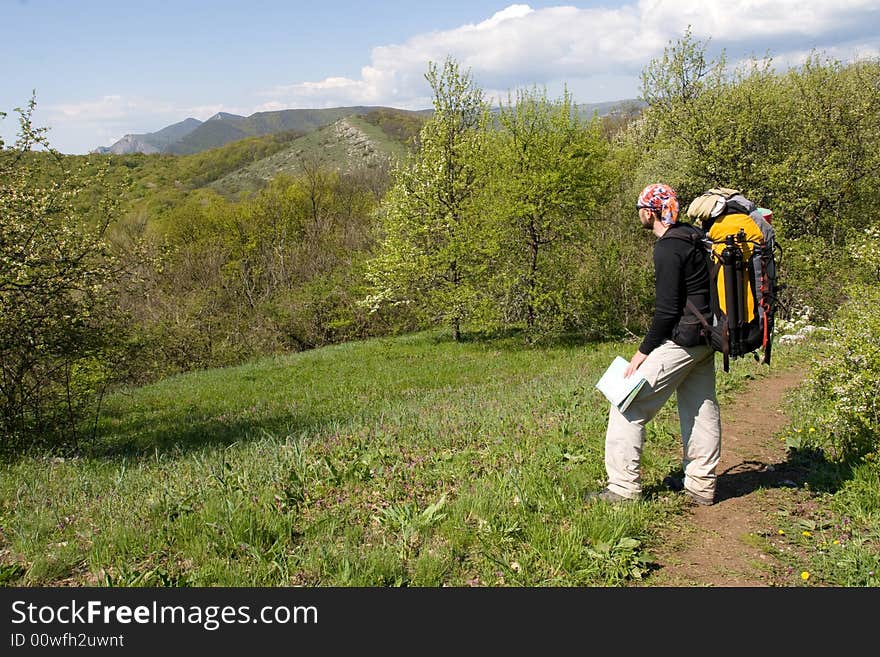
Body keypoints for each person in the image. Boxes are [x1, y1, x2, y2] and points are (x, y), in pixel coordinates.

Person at [585, 183, 722, 506]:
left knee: (627, 403)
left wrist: (642, 352)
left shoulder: (667, 248)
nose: (639, 216)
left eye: (640, 210)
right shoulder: (693, 237)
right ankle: (701, 486)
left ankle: (622, 488)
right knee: (700, 408)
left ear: (650, 211)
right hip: (707, 337)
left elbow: (666, 311)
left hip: (683, 340)